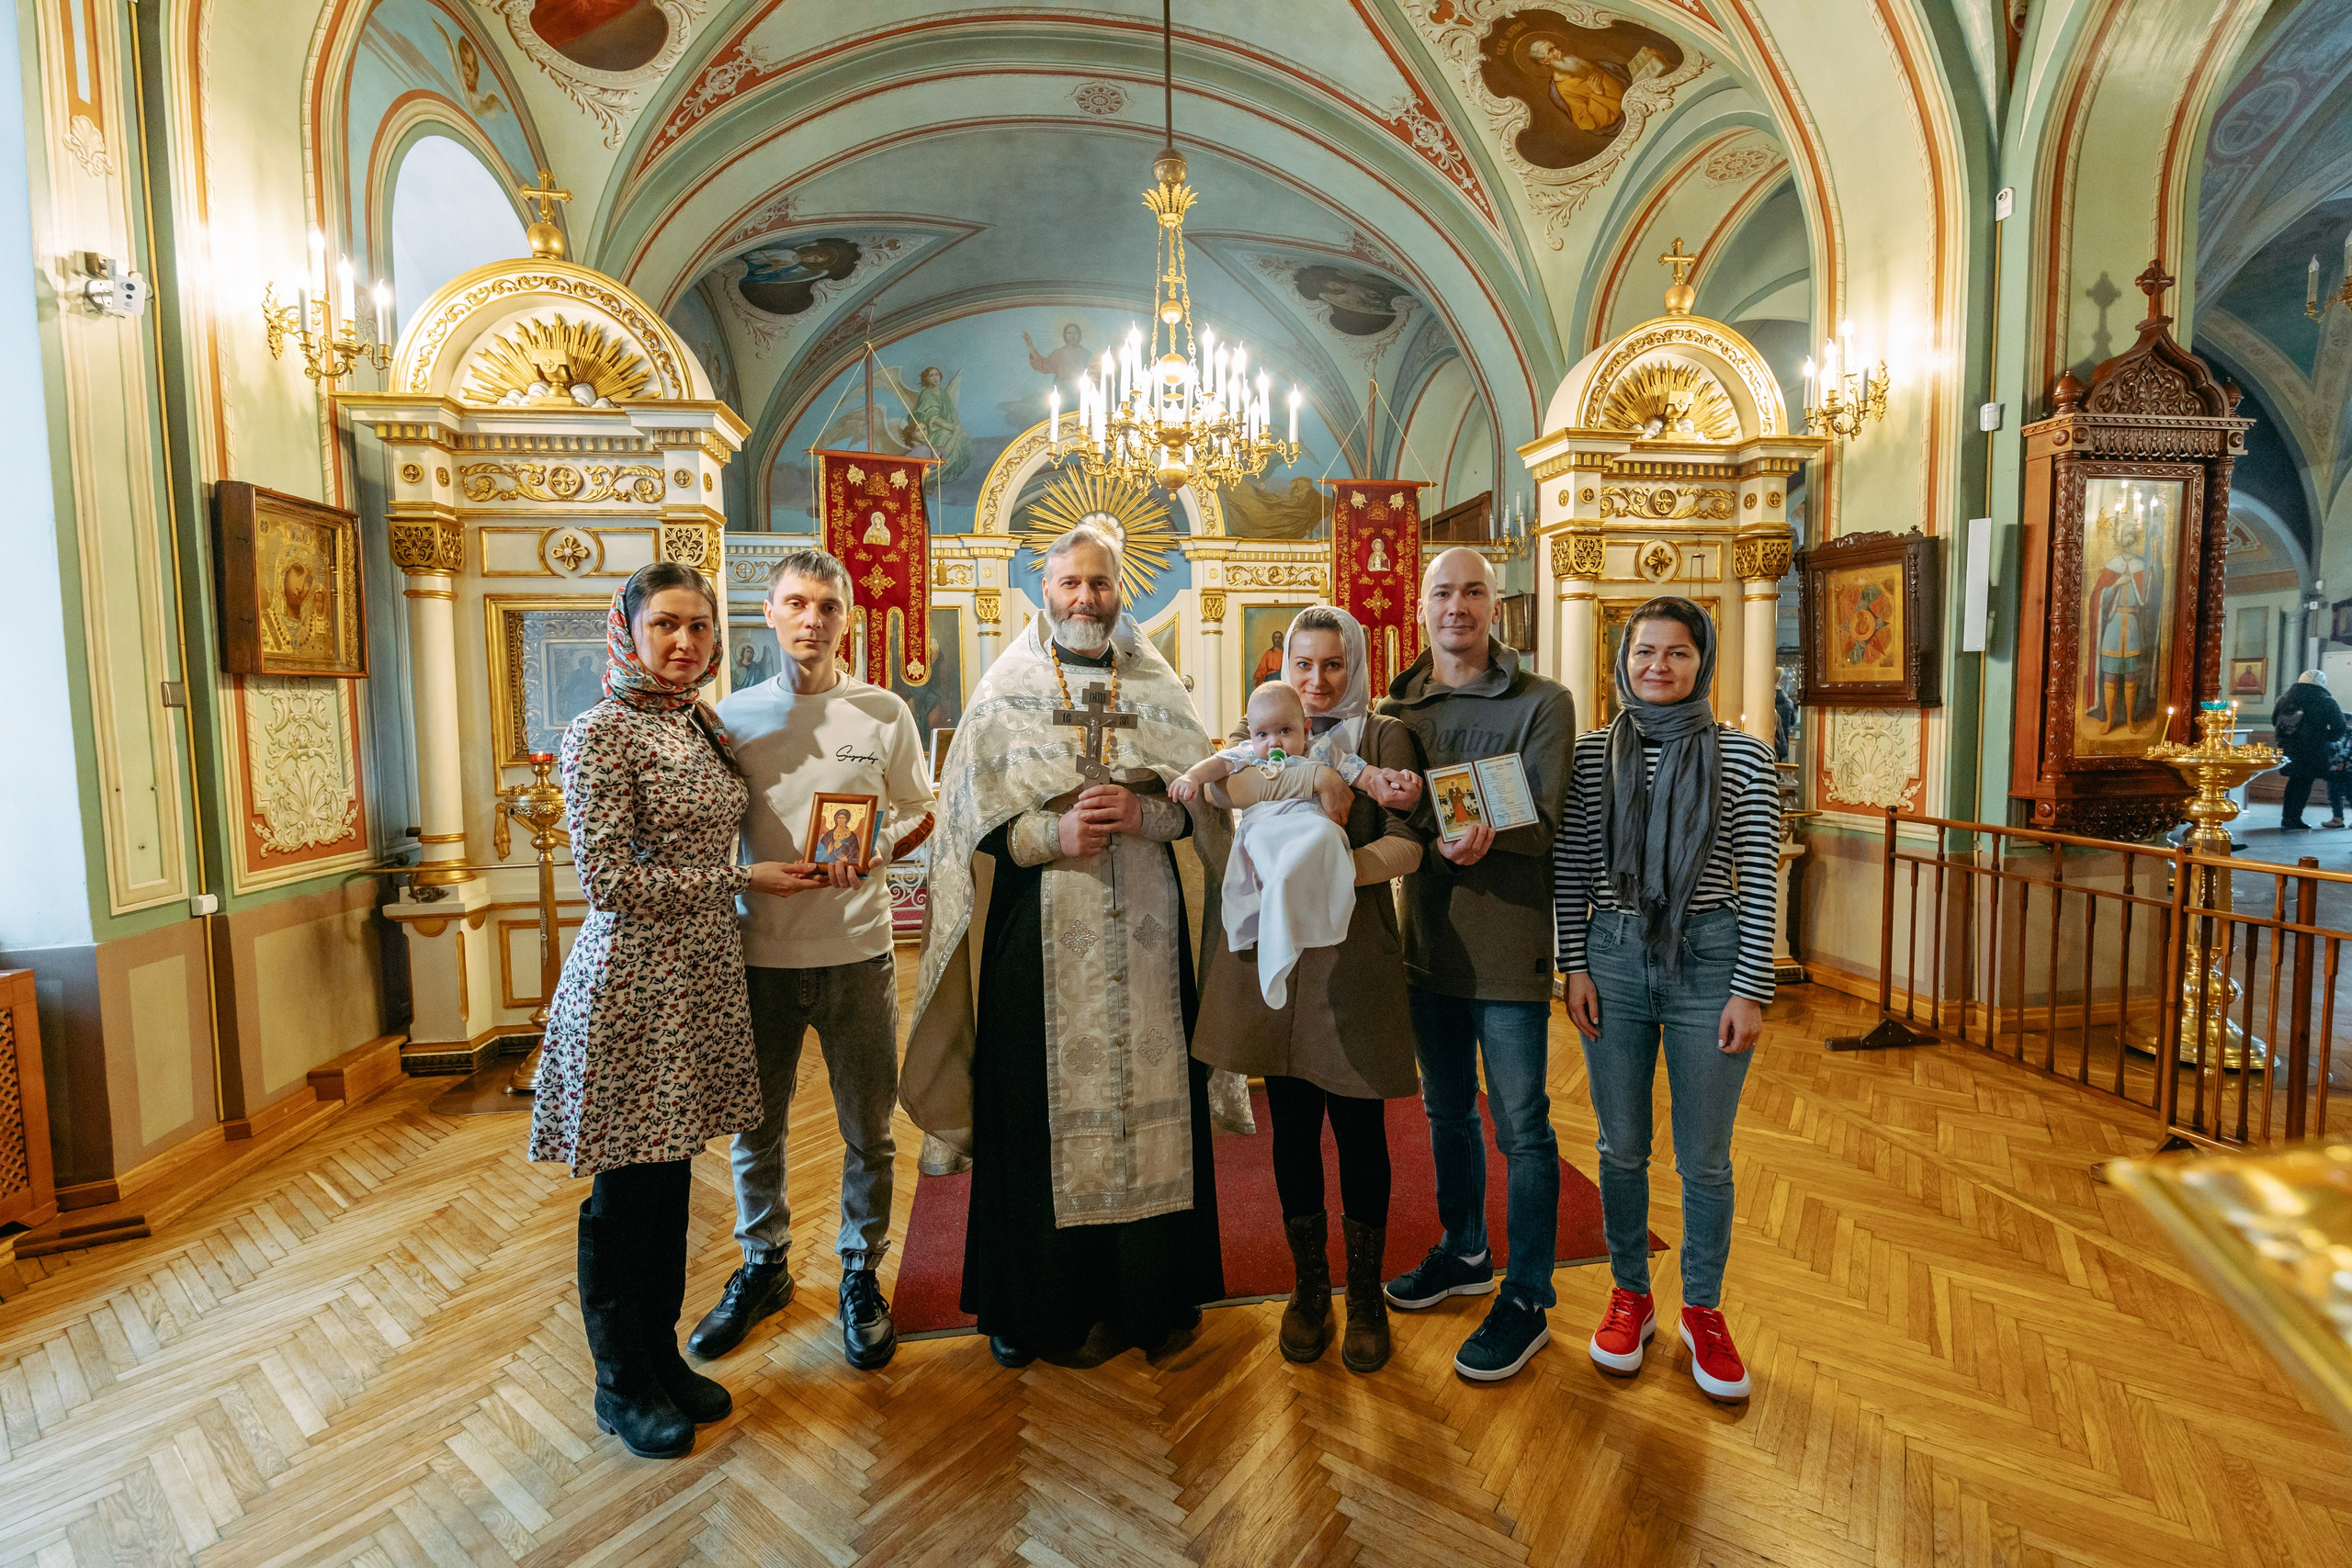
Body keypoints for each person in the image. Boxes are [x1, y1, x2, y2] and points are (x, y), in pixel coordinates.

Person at [902, 524, 1227, 1368]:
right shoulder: (1006, 690)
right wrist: (1052, 831)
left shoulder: (1158, 686)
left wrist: (1147, 814)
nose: (1086, 598)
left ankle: (1149, 1297)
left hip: (1150, 936)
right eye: (1070, 584)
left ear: (1123, 590)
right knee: (1029, 1111)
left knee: (1156, 1097)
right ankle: (1035, 1303)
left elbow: (1203, 809)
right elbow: (972, 829)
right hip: (1037, 942)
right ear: (1042, 591)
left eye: (1101, 583)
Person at [529, 562, 807, 1461]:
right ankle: (620, 1386)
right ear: (630, 633)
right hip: (630, 987)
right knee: (628, 1193)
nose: (684, 643)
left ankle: (659, 1355)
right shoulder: (598, 733)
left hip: (696, 982)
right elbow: (609, 882)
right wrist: (741, 879)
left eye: (697, 627)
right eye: (666, 627)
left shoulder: (697, 725)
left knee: (672, 1182)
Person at [689, 550, 934, 1371]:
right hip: (756, 952)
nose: (812, 619)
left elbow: (919, 810)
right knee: (755, 1129)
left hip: (860, 950)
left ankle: (861, 1271)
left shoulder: (882, 712)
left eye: (828, 605)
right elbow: (706, 832)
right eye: (796, 602)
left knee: (869, 1130)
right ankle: (764, 1264)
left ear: (847, 618)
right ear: (768, 612)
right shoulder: (729, 718)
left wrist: (874, 852)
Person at [1193, 605, 1429, 1373]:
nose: (1318, 681)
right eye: (1304, 665)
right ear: (1282, 665)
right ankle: (1308, 1287)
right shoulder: (1261, 730)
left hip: (1352, 956)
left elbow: (1410, 845)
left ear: (1353, 665)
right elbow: (1220, 806)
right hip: (1278, 965)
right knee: (1292, 1128)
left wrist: (1331, 872)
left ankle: (1363, 1293)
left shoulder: (1381, 737)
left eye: (1332, 665)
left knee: (1360, 1131)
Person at [1556, 596, 1780, 1403]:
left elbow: (1759, 877)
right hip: (1612, 956)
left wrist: (1751, 988)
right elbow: (1574, 868)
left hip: (1710, 957)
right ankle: (1630, 1292)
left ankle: (1704, 1309)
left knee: (1705, 1158)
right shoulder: (1589, 756)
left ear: (1702, 662)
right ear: (1623, 661)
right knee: (1620, 1146)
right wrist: (1572, 965)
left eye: (1677, 653)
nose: (1658, 666)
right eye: (1645, 651)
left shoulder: (1745, 757)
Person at [1377, 547, 1577, 1382]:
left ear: (1497, 605)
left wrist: (1481, 821)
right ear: (1419, 606)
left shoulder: (1544, 701)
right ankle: (1465, 1250)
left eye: (1473, 591)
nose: (1456, 606)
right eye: (1442, 592)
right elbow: (1390, 808)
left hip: (1508, 947)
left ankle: (1528, 1295)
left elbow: (1544, 805)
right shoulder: (1398, 706)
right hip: (1430, 944)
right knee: (1446, 1112)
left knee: (1523, 1126)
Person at [1171, 682, 1356, 1010]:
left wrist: (1385, 779)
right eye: (1263, 735)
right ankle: (1277, 938)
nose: (1274, 743)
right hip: (1267, 826)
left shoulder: (1322, 750)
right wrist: (1191, 777)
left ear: (1305, 728)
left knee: (1324, 836)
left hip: (1308, 825)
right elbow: (1218, 764)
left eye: (1285, 731)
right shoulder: (1248, 753)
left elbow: (1360, 772)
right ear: (1252, 736)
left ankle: (1289, 916)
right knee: (1264, 850)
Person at [2275, 671, 2346, 831]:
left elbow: (2275, 720)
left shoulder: (2286, 699)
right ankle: (2294, 819)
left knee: (2294, 781)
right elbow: (2339, 726)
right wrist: (2326, 737)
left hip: (2288, 747)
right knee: (2304, 782)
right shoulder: (2325, 700)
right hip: (2313, 749)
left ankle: (2287, 818)